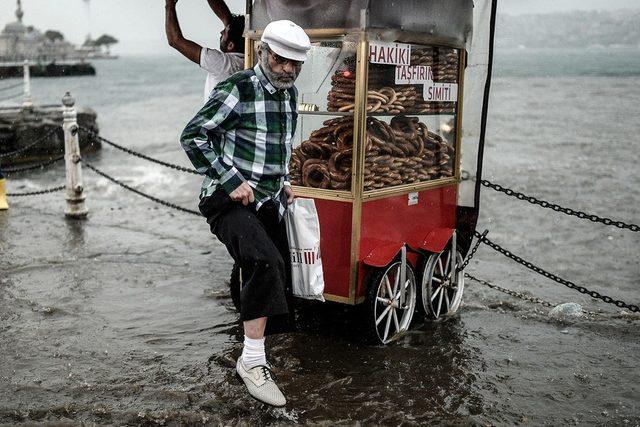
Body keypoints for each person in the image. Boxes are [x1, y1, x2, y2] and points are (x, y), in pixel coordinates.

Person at [180, 20, 310, 407]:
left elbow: (280, 145)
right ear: (265, 53)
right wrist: (230, 179)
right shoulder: (238, 88)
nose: (287, 69)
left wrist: (284, 179)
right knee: (263, 262)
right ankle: (252, 363)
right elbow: (193, 135)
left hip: (267, 199)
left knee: (282, 271)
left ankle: (252, 338)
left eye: (295, 64)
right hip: (225, 197)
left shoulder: (290, 95)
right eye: (281, 60)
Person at [165, 0, 245, 103]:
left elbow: (175, 41)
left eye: (224, 33)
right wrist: (229, 28)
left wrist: (169, 5)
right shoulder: (252, 58)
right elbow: (228, 21)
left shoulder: (223, 64)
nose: (221, 32)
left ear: (230, 45)